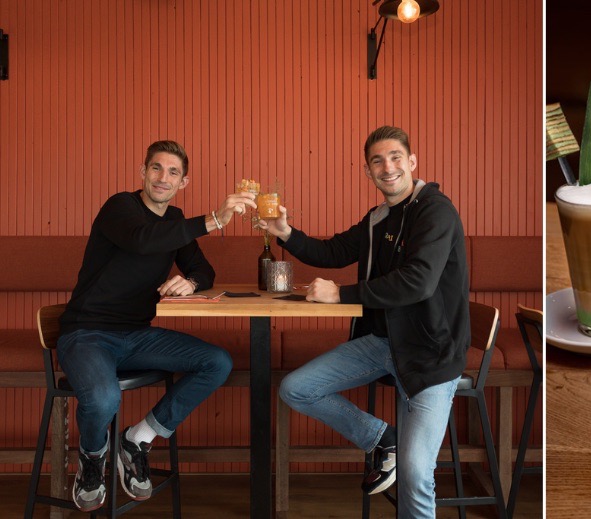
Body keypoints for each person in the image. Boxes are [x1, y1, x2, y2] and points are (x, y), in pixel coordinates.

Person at [260, 126, 470, 517]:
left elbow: (418, 282)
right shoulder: (379, 219)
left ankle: (398, 456)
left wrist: (341, 293)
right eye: (377, 160)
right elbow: (334, 250)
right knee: (296, 388)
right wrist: (285, 233)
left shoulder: (435, 210)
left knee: (413, 473)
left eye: (394, 157)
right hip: (382, 343)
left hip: (430, 356)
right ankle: (382, 439)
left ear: (411, 162)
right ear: (368, 171)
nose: (387, 167)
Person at [57, 140, 257, 512]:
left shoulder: (176, 220)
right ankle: (92, 456)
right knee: (103, 398)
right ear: (142, 173)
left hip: (136, 334)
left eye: (173, 172)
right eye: (156, 169)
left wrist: (191, 282)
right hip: (87, 332)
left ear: (184, 182)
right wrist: (214, 219)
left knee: (217, 362)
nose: (163, 178)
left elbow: (203, 269)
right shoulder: (120, 207)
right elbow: (143, 240)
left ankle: (137, 439)